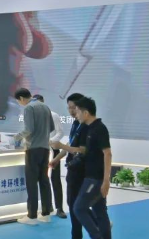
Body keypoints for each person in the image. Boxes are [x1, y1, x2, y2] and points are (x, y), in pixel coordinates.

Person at [54, 96, 112, 239]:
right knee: (99, 211)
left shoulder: (98, 128)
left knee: (79, 208)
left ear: (85, 112)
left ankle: (97, 236)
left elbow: (107, 153)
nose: (75, 113)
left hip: (95, 178)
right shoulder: (89, 128)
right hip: (90, 175)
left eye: (77, 110)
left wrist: (106, 180)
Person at [13, 88, 54, 225]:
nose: (20, 104)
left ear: (21, 98)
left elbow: (28, 129)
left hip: (33, 149)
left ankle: (32, 216)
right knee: (44, 180)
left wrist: (17, 137)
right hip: (45, 148)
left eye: (18, 101)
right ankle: (46, 214)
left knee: (31, 182)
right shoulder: (45, 107)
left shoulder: (29, 108)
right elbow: (51, 128)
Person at [50, 93, 88, 239]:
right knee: (73, 204)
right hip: (72, 169)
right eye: (69, 108)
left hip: (82, 171)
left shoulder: (86, 126)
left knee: (77, 205)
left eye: (74, 107)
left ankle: (98, 224)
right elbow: (71, 144)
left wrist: (60, 146)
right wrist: (57, 158)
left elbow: (82, 150)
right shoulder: (75, 124)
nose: (71, 111)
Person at [33, 94, 66, 219]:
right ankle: (48, 205)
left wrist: (50, 141)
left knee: (55, 179)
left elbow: (60, 132)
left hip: (53, 150)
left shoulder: (53, 115)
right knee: (43, 179)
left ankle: (59, 208)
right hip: (39, 150)